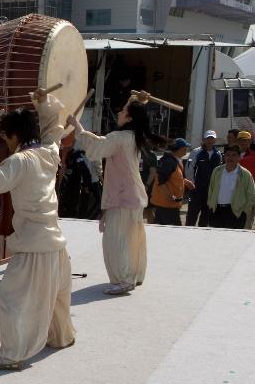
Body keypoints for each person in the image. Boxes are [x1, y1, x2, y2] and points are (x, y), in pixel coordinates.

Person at [0, 93, 76, 369]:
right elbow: (54, 131)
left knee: (10, 297)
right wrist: (44, 105)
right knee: (56, 294)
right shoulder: (49, 153)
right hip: (55, 242)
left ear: (14, 136)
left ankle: (12, 354)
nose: (7, 143)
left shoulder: (20, 160)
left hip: (34, 243)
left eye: (7, 137)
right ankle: (61, 336)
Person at [69, 97, 165, 295]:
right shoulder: (132, 136)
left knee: (116, 239)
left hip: (124, 197)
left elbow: (97, 148)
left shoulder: (120, 138)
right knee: (131, 237)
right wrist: (137, 100)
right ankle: (133, 275)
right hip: (132, 195)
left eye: (123, 111)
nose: (119, 113)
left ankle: (124, 279)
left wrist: (77, 126)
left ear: (129, 117)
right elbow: (103, 143)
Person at [207, 144, 255, 229]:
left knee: (234, 240)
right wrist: (211, 205)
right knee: (216, 240)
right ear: (224, 156)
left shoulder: (245, 174)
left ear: (239, 157)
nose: (230, 158)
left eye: (234, 155)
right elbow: (211, 189)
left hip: (236, 213)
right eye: (228, 155)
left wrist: (244, 211)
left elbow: (251, 195)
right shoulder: (217, 171)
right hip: (217, 211)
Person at [147, 138, 193, 225]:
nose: (186, 150)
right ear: (179, 149)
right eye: (185, 148)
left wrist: (185, 181)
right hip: (167, 206)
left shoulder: (175, 160)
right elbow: (161, 181)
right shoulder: (169, 161)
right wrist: (170, 196)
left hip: (168, 205)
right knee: (173, 233)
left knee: (163, 232)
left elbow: (173, 178)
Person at [185, 131, 223, 226]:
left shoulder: (218, 154)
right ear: (204, 140)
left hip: (210, 190)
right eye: (208, 138)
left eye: (212, 138)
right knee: (192, 215)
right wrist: (192, 184)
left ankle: (202, 236)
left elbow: (219, 171)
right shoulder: (196, 152)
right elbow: (189, 168)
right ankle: (188, 233)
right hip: (196, 189)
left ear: (215, 140)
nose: (210, 140)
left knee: (206, 215)